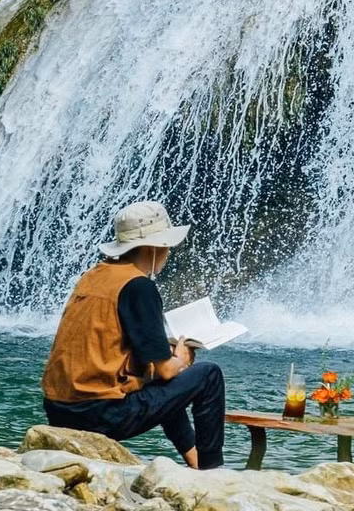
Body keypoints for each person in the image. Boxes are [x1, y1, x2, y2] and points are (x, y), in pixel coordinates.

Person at [41, 201, 225, 469]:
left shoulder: (94, 275)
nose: (168, 252)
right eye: (166, 245)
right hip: (100, 414)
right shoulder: (139, 286)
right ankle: (211, 469)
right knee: (208, 375)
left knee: (164, 386)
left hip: (59, 409)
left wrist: (166, 362)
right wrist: (181, 358)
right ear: (153, 247)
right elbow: (166, 371)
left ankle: (193, 459)